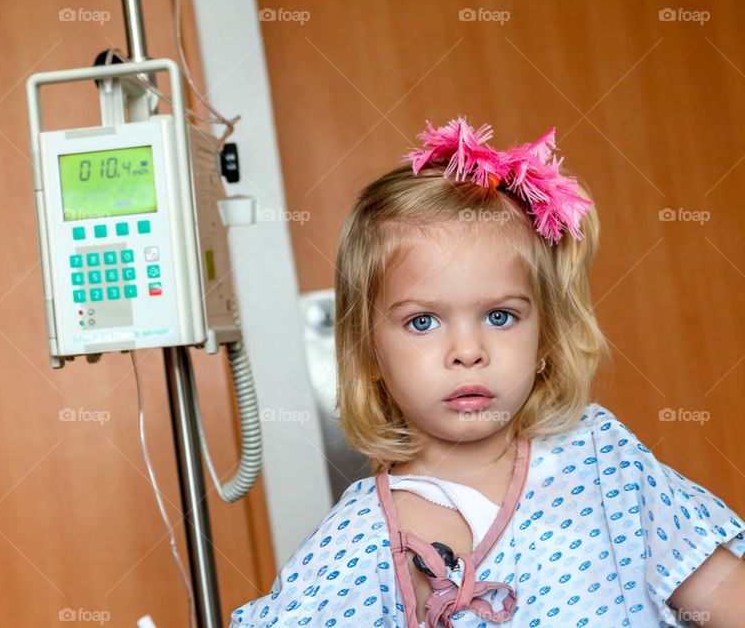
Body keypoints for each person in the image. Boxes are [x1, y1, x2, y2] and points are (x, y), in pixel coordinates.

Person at [228, 116, 745, 627]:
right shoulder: (361, 541)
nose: (467, 351)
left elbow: (725, 595)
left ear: (545, 338)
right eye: (423, 321)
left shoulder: (602, 459)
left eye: (500, 316)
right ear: (369, 355)